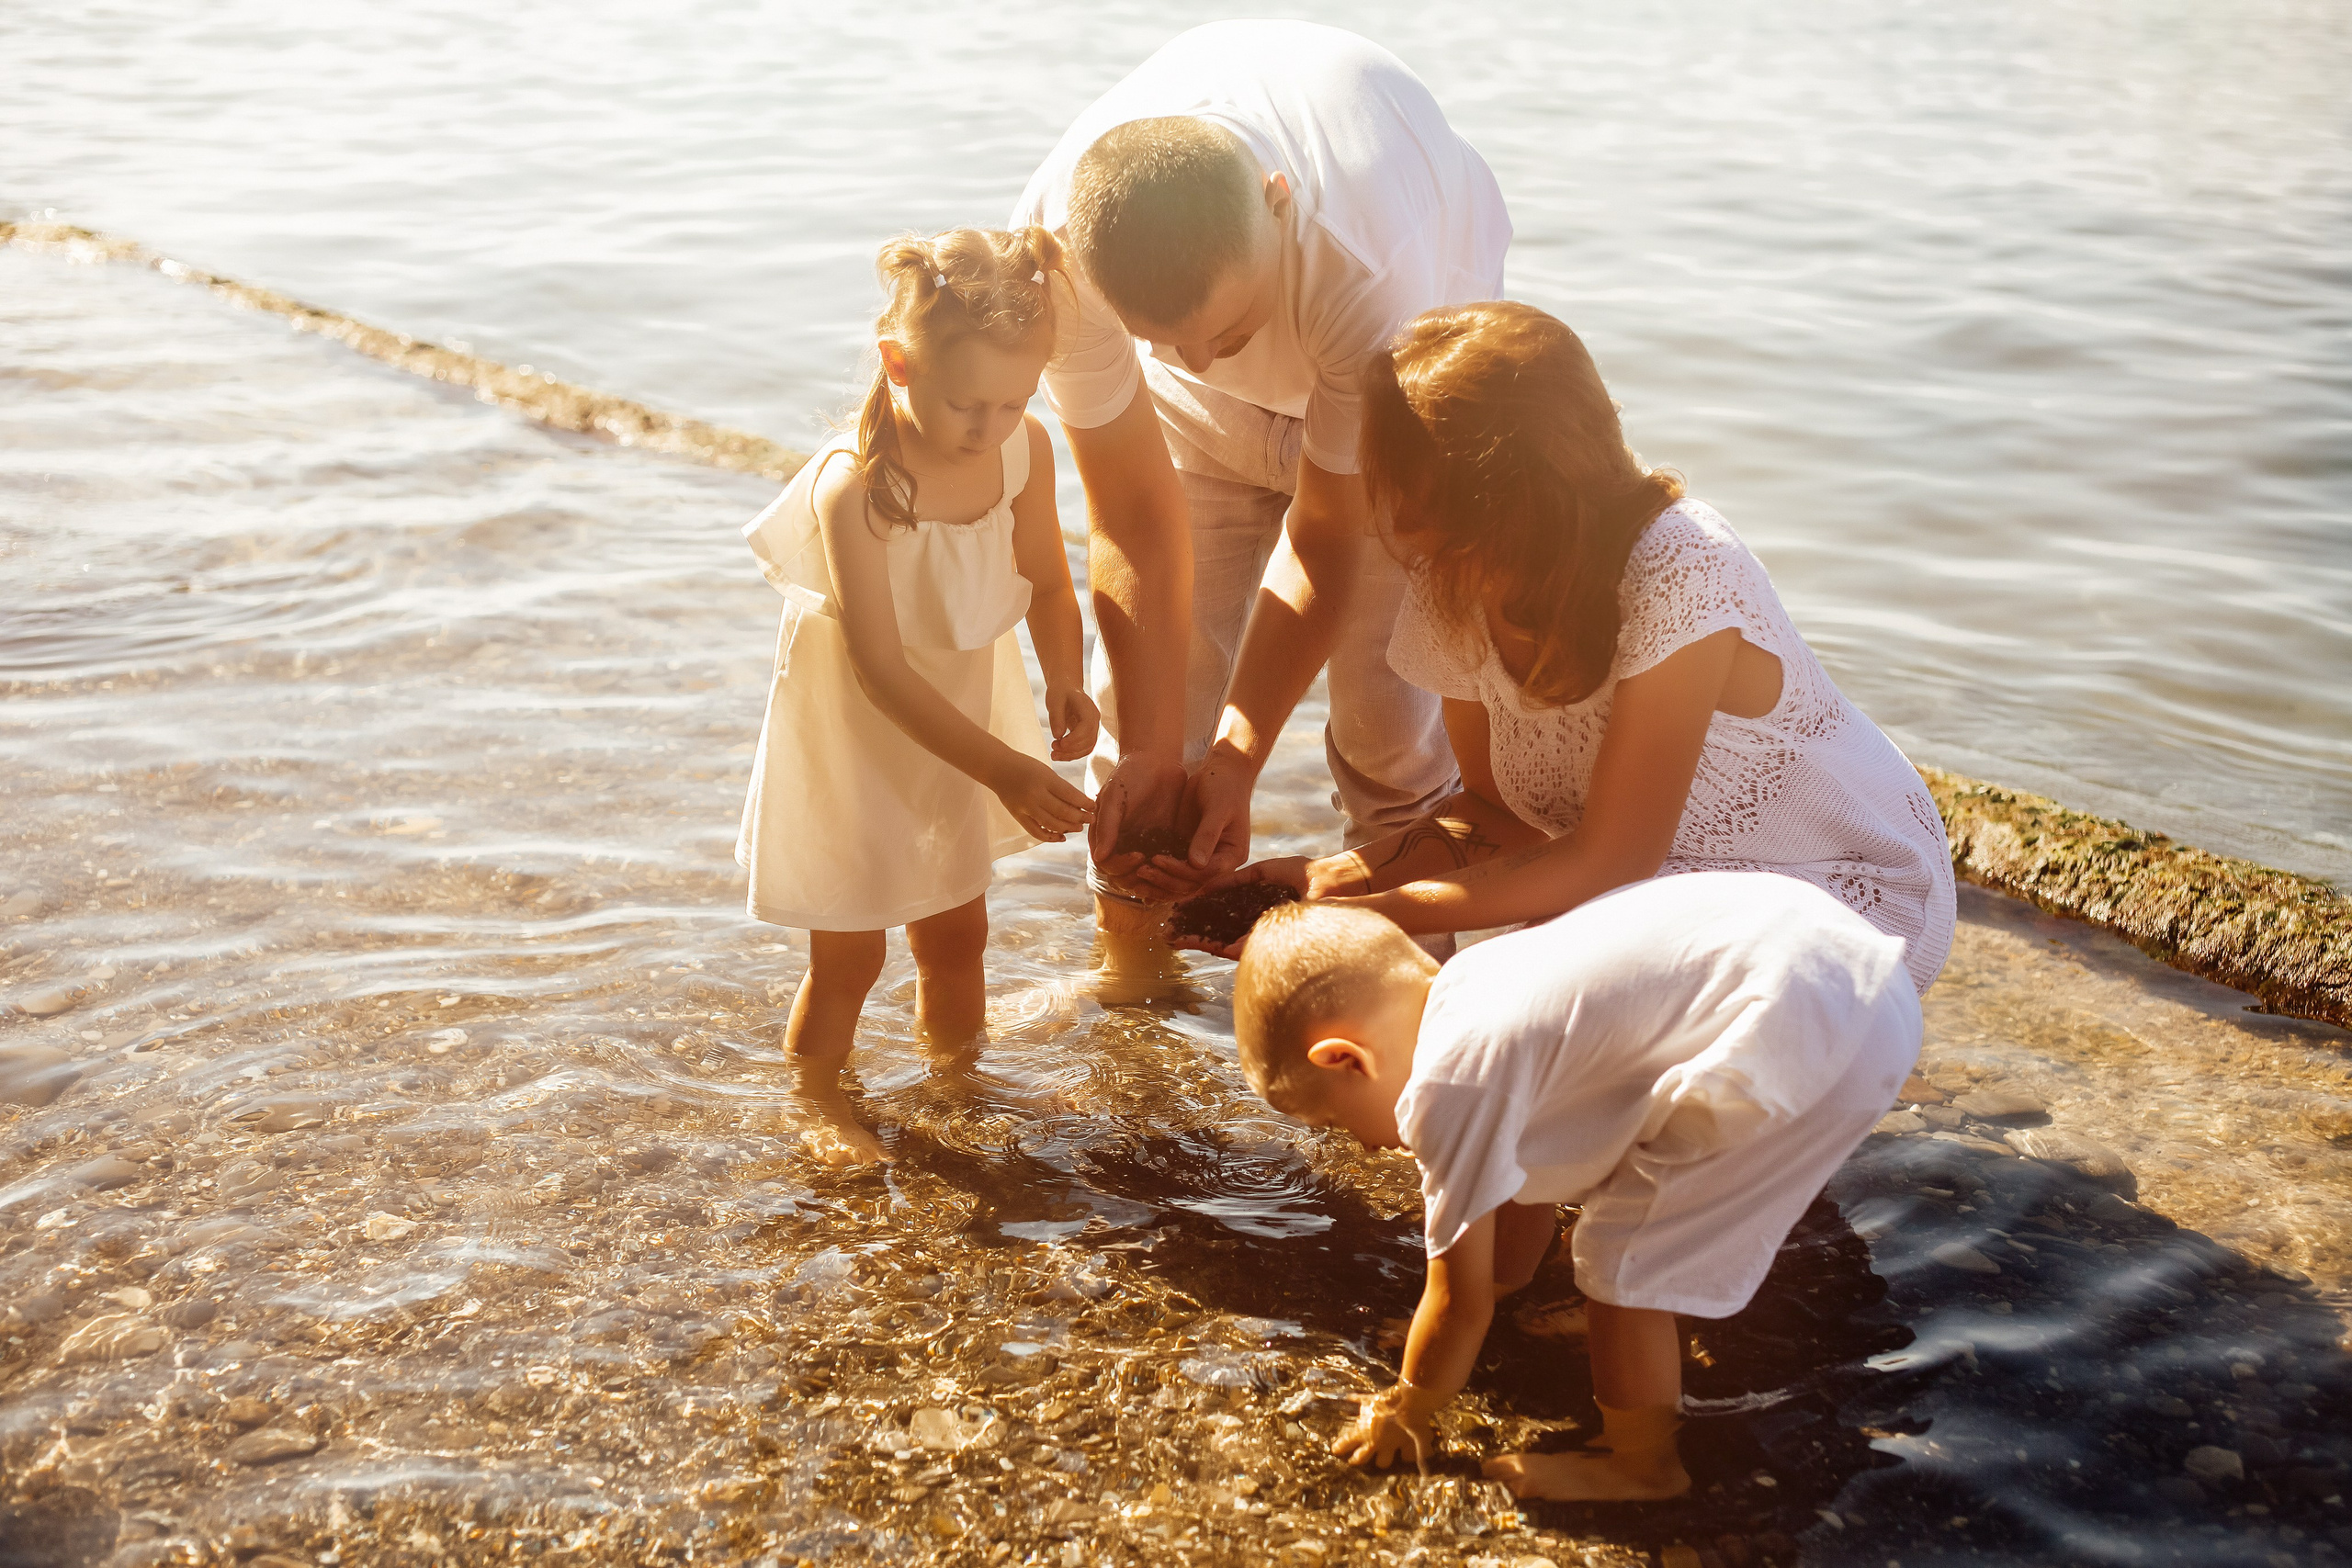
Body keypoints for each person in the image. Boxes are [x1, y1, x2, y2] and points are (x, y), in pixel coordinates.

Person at [1188, 300, 1955, 997]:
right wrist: (1332, 881)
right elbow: (1496, 815)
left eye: (1408, 494)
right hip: (1665, 884)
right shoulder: (1454, 579)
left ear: (1504, 503)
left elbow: (1613, 857)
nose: (1388, 518)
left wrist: (1371, 915)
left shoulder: (1683, 568)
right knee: (1513, 996)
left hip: (1844, 888)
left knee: (1511, 994)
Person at [1009, 21, 1512, 933]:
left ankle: (1410, 991)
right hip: (1200, 426)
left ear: (1278, 203)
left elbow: (1325, 538)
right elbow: (1129, 512)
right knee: (1141, 751)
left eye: (1226, 333)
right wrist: (1160, 753)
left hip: (1397, 397)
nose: (1200, 360)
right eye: (1163, 341)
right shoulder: (1056, 255)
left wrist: (1239, 759)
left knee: (1389, 751)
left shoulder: (1368, 267)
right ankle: (1134, 993)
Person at [1231, 882, 1923, 1501]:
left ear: (1346, 1059)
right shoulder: (1479, 985)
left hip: (1795, 1033)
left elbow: (1456, 1304)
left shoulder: (1447, 1087)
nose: (1360, 1144)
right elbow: (1524, 1176)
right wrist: (1505, 1283)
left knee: (1622, 1261)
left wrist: (1409, 1406)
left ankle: (1643, 1465)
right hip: (1853, 975)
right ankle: (1653, 1354)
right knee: (1638, 1204)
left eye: (1335, 1121)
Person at [736, 228, 1099, 1166]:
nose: (989, 427)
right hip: (858, 735)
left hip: (962, 718)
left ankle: (960, 1076)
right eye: (965, 403)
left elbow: (1048, 580)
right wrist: (1004, 770)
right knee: (851, 951)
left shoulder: (1022, 451)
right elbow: (879, 670)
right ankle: (818, 1099)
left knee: (957, 928)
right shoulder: (856, 486)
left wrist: (1066, 675)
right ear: (899, 363)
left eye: (1014, 401)